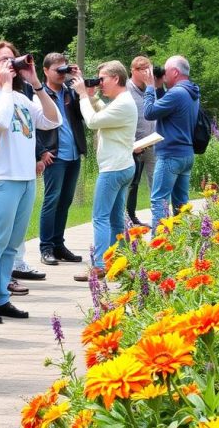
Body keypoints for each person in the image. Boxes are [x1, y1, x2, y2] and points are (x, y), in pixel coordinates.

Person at [0, 41, 61, 324]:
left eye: (14, 59)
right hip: (2, 177)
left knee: (12, 244)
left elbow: (52, 120)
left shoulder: (24, 98)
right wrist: (7, 86)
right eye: (4, 61)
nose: (11, 64)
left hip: (26, 178)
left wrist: (35, 83)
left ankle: (1, 297)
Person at [67, 61, 137, 281]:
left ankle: (98, 265)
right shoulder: (122, 101)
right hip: (123, 166)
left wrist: (82, 96)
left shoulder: (124, 103)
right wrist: (92, 96)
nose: (100, 84)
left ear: (116, 79)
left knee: (100, 218)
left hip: (113, 170)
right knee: (116, 218)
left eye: (103, 79)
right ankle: (122, 259)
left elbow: (94, 122)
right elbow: (105, 114)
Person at [34, 53, 87, 267]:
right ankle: (46, 247)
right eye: (58, 70)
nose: (61, 74)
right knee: (51, 200)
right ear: (45, 71)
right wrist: (41, 151)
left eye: (64, 69)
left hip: (73, 153)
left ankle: (58, 244)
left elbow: (84, 115)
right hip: (54, 155)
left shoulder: (70, 93)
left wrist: (80, 85)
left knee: (65, 201)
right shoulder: (39, 94)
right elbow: (33, 126)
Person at [135, 55, 200, 228]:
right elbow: (167, 109)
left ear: (175, 72)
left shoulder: (177, 93)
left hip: (170, 155)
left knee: (159, 202)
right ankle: (182, 243)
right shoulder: (192, 91)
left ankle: (160, 246)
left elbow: (149, 112)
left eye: (166, 71)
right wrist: (158, 88)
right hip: (186, 154)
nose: (163, 74)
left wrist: (149, 87)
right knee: (181, 205)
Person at [124, 56, 162, 227]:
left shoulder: (152, 88)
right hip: (133, 145)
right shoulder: (125, 89)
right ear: (133, 70)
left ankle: (160, 219)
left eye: (149, 67)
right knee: (132, 183)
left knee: (156, 181)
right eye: (142, 68)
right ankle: (129, 217)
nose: (147, 72)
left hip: (152, 143)